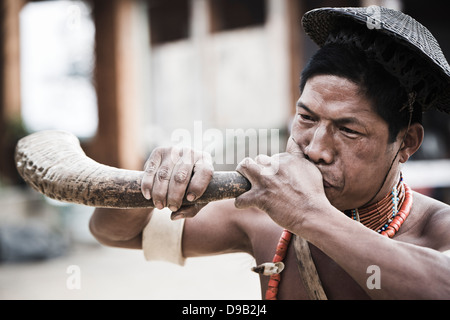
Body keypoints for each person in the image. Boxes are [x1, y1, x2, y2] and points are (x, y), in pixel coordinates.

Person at [89, 6, 450, 299]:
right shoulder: (265, 213)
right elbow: (112, 232)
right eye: (306, 118)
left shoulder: (438, 230)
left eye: (348, 130)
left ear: (406, 143)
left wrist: (307, 213)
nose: (315, 148)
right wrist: (158, 180)